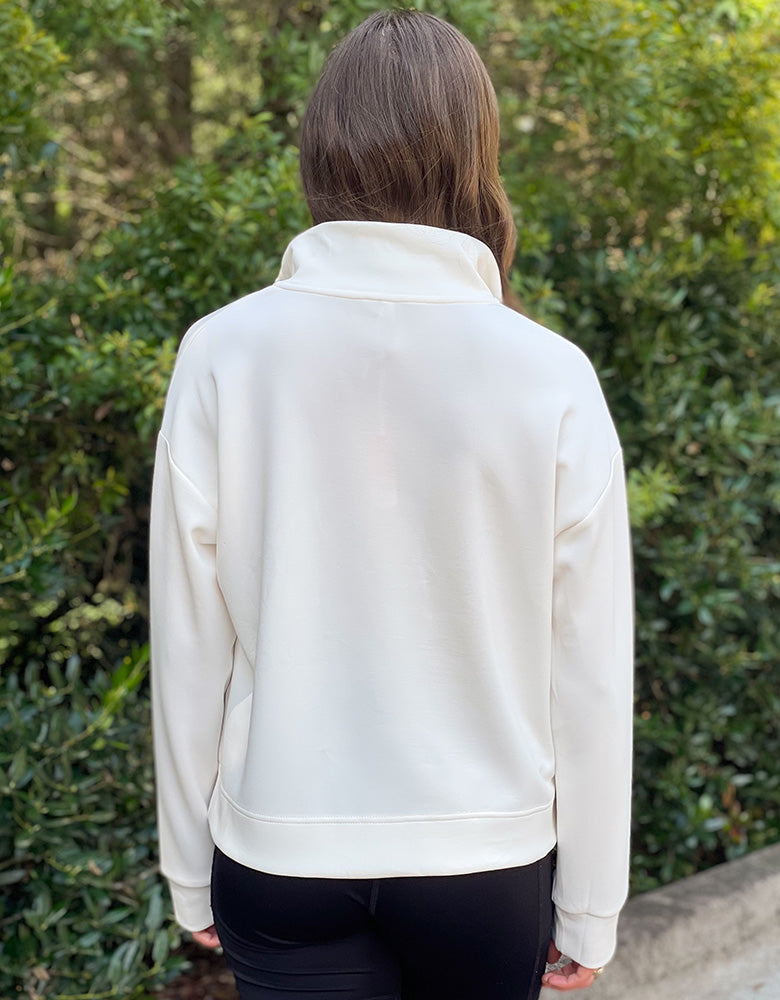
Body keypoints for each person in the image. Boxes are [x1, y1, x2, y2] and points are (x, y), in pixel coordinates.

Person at [149, 9, 634, 999]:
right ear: (474, 154)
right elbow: (586, 661)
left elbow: (189, 639)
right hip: (485, 858)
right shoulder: (548, 373)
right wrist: (591, 900)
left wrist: (186, 864)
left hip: (281, 844)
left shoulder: (222, 353)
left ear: (322, 148)